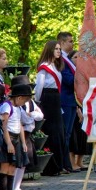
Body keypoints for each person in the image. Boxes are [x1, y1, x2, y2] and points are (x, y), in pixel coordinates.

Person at [35, 40, 67, 176]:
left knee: (59, 132)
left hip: (55, 98)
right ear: (50, 50)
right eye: (56, 49)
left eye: (60, 49)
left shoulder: (56, 66)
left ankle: (59, 165)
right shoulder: (44, 66)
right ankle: (50, 167)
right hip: (47, 98)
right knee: (51, 131)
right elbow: (39, 86)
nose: (59, 51)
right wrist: (37, 102)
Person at [58, 32, 77, 172]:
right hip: (65, 98)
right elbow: (68, 79)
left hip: (71, 99)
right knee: (65, 132)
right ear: (63, 42)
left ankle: (66, 163)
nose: (72, 44)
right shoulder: (62, 60)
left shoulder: (67, 59)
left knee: (68, 133)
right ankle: (64, 163)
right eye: (70, 41)